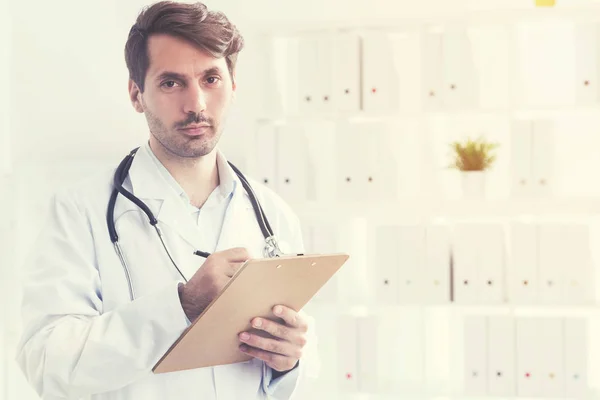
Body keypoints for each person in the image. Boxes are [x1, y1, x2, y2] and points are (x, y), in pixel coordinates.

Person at [15, 1, 319, 399]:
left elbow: (301, 371)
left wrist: (290, 362)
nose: (196, 105)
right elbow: (46, 364)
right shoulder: (81, 211)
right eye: (171, 83)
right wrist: (181, 306)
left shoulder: (273, 214)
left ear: (232, 85)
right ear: (136, 94)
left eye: (211, 79)